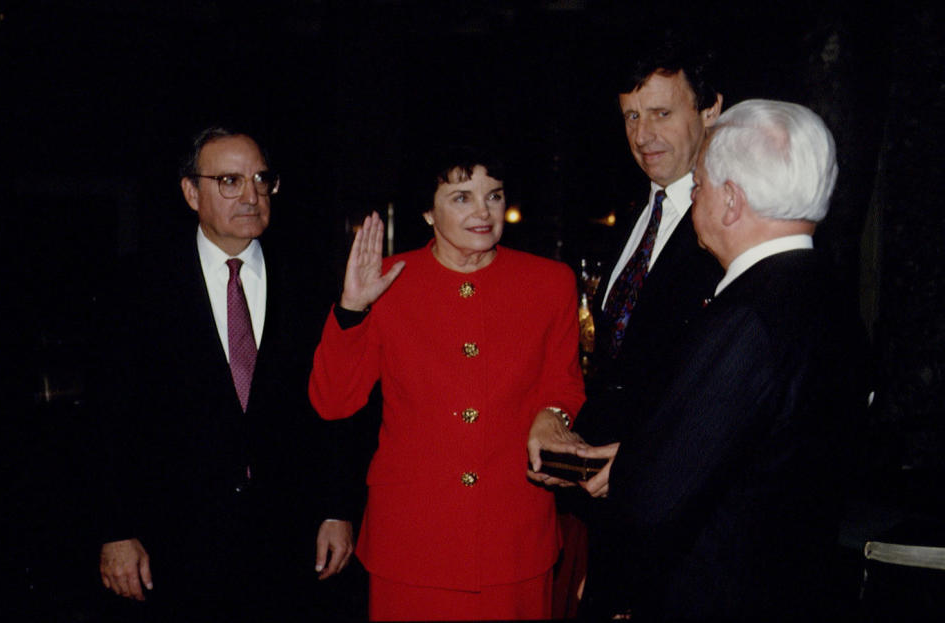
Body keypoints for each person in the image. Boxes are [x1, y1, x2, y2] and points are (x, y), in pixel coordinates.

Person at [569, 99, 864, 619]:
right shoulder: (829, 296)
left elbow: (658, 501)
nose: (695, 198)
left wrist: (617, 591)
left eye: (700, 186)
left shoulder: (746, 317)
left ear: (731, 201)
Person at [307, 147, 586, 621]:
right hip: (412, 541)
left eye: (493, 196)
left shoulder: (549, 282)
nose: (483, 211)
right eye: (461, 197)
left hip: (514, 540)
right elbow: (334, 401)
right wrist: (352, 308)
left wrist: (552, 416)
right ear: (427, 211)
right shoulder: (386, 280)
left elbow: (564, 385)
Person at [94, 127, 356, 621]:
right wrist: (115, 530)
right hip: (172, 540)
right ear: (191, 192)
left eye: (261, 179)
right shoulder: (136, 286)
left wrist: (336, 507)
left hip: (290, 535)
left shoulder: (312, 281)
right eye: (230, 181)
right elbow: (110, 418)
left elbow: (336, 406)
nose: (251, 196)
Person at [563, 41, 726, 615]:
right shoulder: (632, 213)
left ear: (710, 111)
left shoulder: (732, 223)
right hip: (612, 518)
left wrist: (639, 467)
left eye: (662, 112)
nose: (643, 133)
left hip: (684, 528)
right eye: (632, 115)